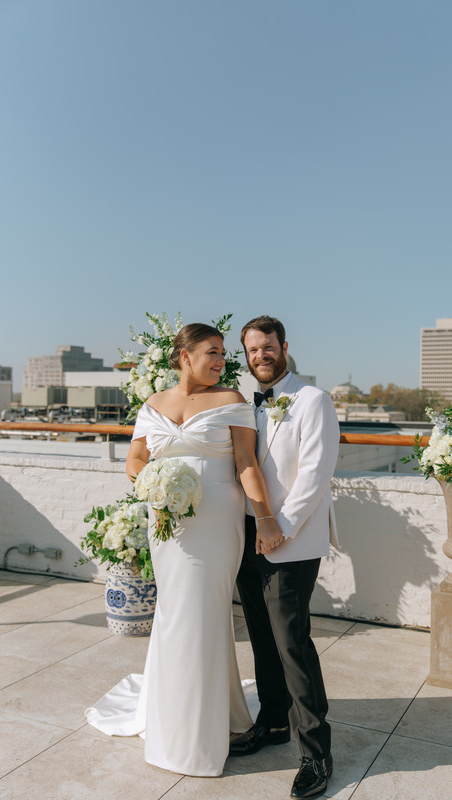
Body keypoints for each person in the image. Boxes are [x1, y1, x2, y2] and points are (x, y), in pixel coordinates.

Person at [85, 323, 284, 777]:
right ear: (183, 356)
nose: (221, 361)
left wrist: (267, 517)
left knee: (203, 614)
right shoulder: (154, 403)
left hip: (216, 523)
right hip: (166, 524)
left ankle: (196, 733)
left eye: (222, 354)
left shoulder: (232, 400)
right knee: (174, 613)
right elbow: (136, 458)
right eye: (211, 352)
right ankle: (177, 715)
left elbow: (247, 463)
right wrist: (150, 483)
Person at [229, 316, 340, 800]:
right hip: (246, 539)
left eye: (267, 347)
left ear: (284, 347)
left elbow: (315, 475)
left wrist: (280, 529)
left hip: (290, 542)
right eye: (252, 350)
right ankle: (273, 723)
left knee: (292, 644)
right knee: (261, 639)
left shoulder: (313, 400)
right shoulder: (241, 402)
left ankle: (316, 753)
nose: (260, 356)